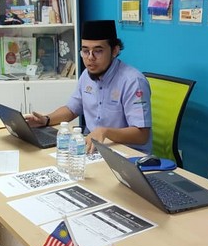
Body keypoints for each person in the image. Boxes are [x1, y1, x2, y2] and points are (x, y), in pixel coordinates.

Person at [26, 20, 152, 154]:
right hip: (94, 149)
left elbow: (142, 135)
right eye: (85, 51)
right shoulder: (87, 74)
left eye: (98, 51)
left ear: (115, 50)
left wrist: (105, 132)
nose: (90, 58)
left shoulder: (133, 82)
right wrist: (46, 120)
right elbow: (71, 109)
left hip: (127, 154)